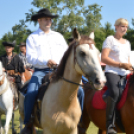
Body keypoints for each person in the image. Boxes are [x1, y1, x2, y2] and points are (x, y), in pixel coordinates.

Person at [20, 8, 84, 134]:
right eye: (45, 19)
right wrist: (46, 61)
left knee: (81, 91)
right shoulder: (32, 37)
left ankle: (79, 121)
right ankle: (28, 123)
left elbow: (67, 55)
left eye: (50, 19)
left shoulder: (58, 36)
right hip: (41, 71)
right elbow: (30, 57)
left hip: (60, 72)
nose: (49, 21)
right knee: (31, 91)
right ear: (39, 20)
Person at [101, 18, 133, 134]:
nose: (125, 29)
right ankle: (109, 125)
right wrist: (120, 64)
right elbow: (103, 58)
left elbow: (128, 61)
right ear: (116, 27)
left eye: (126, 27)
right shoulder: (110, 39)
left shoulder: (128, 43)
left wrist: (130, 69)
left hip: (125, 73)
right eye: (122, 26)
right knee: (115, 92)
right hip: (112, 72)